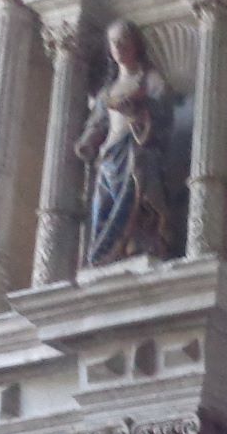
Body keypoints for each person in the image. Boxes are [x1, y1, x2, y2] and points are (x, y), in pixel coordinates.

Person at [74, 19, 179, 266]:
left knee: (136, 196)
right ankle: (103, 254)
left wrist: (138, 110)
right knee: (103, 205)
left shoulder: (150, 81)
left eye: (123, 40)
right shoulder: (107, 90)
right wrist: (87, 142)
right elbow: (98, 123)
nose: (118, 46)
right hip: (109, 155)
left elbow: (165, 112)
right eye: (113, 42)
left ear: (135, 45)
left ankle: (136, 244)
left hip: (137, 151)